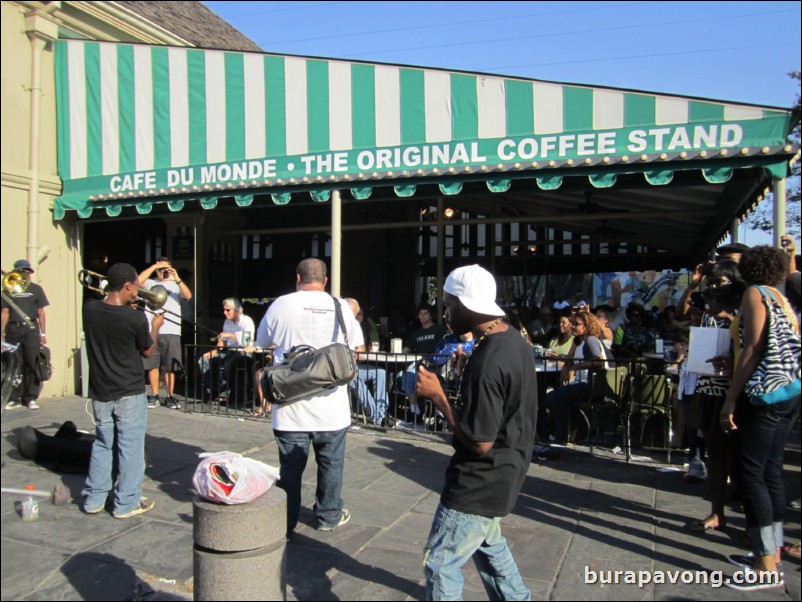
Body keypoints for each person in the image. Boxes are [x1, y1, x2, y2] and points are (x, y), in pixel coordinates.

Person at [415, 264, 536, 601]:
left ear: (468, 305)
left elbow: (480, 441)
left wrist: (438, 396)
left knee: (440, 564)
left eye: (450, 304)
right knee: (491, 552)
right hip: (505, 472)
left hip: (477, 481)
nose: (446, 313)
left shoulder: (488, 361)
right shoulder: (511, 340)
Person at [256, 258, 363, 535]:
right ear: (325, 280)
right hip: (332, 406)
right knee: (331, 463)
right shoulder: (341, 306)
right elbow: (357, 348)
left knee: (290, 469)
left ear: (297, 278)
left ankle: (286, 525)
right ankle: (328, 516)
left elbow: (262, 341)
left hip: (290, 407)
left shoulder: (281, 304)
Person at [719, 246, 801, 591]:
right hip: (789, 392)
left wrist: (730, 398)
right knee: (771, 473)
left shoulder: (755, 294)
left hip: (763, 394)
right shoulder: (781, 298)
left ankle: (765, 563)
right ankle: (771, 553)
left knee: (750, 474)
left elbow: (752, 348)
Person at [81, 263, 164, 518]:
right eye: (136, 287)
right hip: (129, 391)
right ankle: (126, 502)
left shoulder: (90, 309)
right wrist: (155, 327)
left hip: (100, 392)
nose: (138, 291)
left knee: (103, 444)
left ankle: (94, 499)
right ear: (128, 286)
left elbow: (111, 316)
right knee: (130, 448)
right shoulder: (135, 317)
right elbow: (148, 351)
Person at [544, 311, 610, 445]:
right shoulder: (579, 342)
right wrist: (566, 366)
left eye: (576, 324)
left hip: (590, 385)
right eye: (572, 323)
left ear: (587, 326)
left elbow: (599, 361)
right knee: (558, 397)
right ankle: (573, 431)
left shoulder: (591, 340)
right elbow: (570, 359)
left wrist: (575, 367)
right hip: (580, 383)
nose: (573, 326)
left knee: (551, 398)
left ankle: (568, 433)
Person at [138, 257, 191, 409]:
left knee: (170, 366)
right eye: (161, 270)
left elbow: (188, 296)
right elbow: (138, 281)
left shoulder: (175, 285)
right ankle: (154, 395)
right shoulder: (150, 283)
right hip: (153, 328)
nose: (163, 272)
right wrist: (154, 267)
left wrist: (177, 278)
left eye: (165, 269)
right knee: (152, 364)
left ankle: (169, 396)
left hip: (171, 330)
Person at [1, 259, 49, 410]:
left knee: (32, 363)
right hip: (13, 329)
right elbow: (5, 313)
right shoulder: (8, 290)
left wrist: (43, 333)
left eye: (27, 271)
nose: (26, 274)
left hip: (31, 329)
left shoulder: (36, 289)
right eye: (23, 271)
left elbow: (41, 312)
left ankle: (30, 397)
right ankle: (14, 397)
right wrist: (1, 333)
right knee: (14, 364)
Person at [198, 298, 255, 401]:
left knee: (228, 363)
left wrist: (229, 335)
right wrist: (215, 351)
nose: (225, 312)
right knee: (204, 360)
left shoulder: (247, 321)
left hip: (243, 352)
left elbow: (247, 341)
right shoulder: (227, 322)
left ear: (236, 310)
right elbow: (223, 340)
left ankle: (224, 394)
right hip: (229, 351)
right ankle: (213, 391)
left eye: (228, 310)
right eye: (224, 310)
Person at [345, 298, 389, 426]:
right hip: (342, 370)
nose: (355, 316)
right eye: (353, 312)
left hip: (355, 365)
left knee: (380, 372)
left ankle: (381, 413)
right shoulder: (337, 324)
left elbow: (361, 351)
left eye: (358, 313)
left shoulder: (361, 326)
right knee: (355, 379)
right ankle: (378, 416)